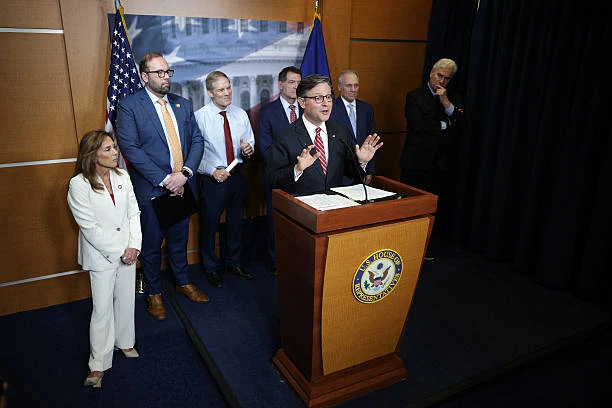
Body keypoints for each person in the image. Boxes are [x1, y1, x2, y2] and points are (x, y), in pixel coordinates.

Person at [116, 52, 208, 321]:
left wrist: (184, 174)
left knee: (180, 240)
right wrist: (166, 180)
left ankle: (183, 282)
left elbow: (197, 141)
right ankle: (153, 293)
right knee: (152, 246)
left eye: (168, 72)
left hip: (182, 186)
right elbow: (131, 148)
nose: (166, 77)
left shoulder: (183, 104)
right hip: (153, 190)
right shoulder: (129, 105)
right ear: (145, 77)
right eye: (160, 73)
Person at [67, 130, 142, 388]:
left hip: (128, 252)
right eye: (108, 149)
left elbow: (134, 213)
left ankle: (125, 342)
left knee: (126, 299)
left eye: (114, 147)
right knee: (101, 309)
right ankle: (98, 363)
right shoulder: (78, 185)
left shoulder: (122, 175)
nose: (115, 153)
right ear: (93, 154)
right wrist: (120, 251)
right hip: (102, 256)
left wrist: (134, 246)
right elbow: (89, 228)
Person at [267, 74, 382, 196]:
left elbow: (350, 171)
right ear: (302, 102)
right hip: (304, 209)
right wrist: (297, 169)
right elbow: (272, 179)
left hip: (335, 205)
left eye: (328, 97)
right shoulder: (285, 136)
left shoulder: (340, 131)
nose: (326, 103)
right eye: (318, 98)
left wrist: (361, 161)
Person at [400, 58, 465, 259]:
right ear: (431, 73)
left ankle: (426, 248)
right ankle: (406, 247)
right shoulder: (414, 96)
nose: (442, 81)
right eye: (440, 76)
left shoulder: (452, 96)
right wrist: (445, 124)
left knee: (434, 210)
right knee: (413, 207)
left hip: (441, 164)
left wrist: (446, 102)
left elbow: (462, 124)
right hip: (417, 163)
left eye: (447, 78)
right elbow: (418, 125)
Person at [195, 71, 256, 288]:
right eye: (221, 89)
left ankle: (233, 263)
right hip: (212, 179)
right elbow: (194, 155)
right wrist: (212, 171)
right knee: (210, 226)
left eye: (229, 87)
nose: (227, 93)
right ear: (210, 92)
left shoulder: (240, 114)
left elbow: (250, 143)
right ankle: (211, 268)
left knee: (235, 222)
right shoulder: (199, 117)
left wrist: (248, 150)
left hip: (237, 175)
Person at [257, 66, 302, 275]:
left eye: (299, 83)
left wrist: (304, 167)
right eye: (292, 82)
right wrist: (291, 168)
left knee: (302, 221)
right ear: (281, 84)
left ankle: (299, 259)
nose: (296, 87)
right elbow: (266, 148)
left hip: (307, 175)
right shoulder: (267, 111)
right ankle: (277, 263)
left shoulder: (306, 108)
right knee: (277, 222)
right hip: (279, 176)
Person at [329, 70, 376, 185]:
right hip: (339, 173)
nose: (353, 89)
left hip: (362, 171)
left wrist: (370, 170)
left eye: (356, 85)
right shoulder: (330, 108)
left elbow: (372, 140)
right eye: (349, 85)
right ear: (339, 87)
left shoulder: (367, 109)